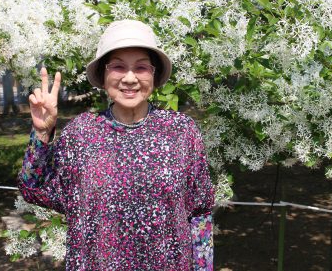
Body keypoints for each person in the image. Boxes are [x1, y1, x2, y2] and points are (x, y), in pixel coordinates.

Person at [18, 19, 214, 270]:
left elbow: (200, 212)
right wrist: (42, 134)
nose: (130, 78)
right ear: (103, 75)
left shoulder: (181, 131)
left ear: (154, 74)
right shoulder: (81, 133)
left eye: (141, 68)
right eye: (118, 67)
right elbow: (34, 189)